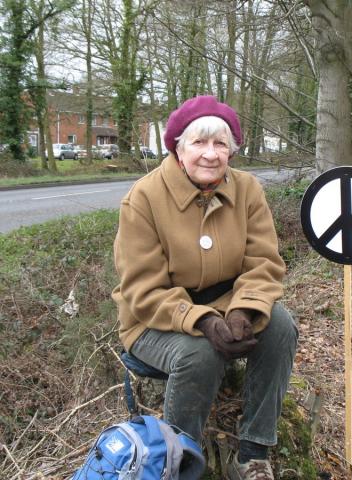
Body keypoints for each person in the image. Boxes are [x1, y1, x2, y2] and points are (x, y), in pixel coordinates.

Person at [112, 95, 298, 480]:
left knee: (280, 325)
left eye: (220, 144)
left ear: (232, 150)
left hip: (227, 304)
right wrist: (204, 321)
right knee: (200, 353)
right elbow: (142, 288)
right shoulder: (143, 199)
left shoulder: (247, 190)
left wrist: (244, 310)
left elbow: (264, 262)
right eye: (199, 143)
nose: (210, 154)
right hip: (153, 320)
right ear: (178, 148)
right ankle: (178, 464)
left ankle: (253, 452)